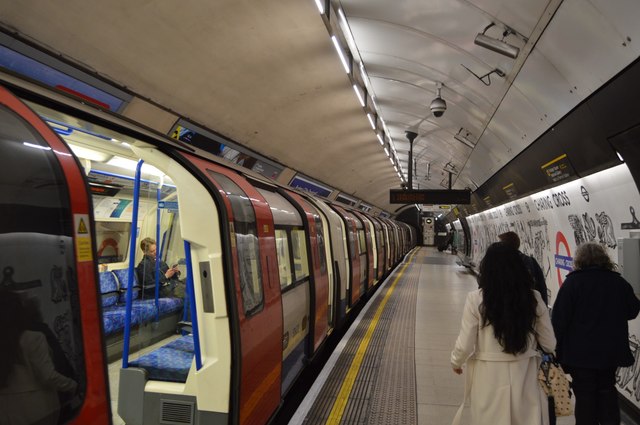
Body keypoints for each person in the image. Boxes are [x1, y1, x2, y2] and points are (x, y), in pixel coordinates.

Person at [451, 242, 556, 425]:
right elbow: (550, 343)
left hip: (488, 375)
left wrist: (456, 361)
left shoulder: (476, 299)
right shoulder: (534, 299)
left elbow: (465, 342)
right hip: (526, 374)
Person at [552, 242, 640, 424]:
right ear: (604, 259)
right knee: (607, 390)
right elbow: (632, 311)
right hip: (609, 353)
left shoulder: (572, 283)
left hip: (579, 355)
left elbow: (559, 320)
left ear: (579, 260)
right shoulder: (618, 282)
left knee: (584, 396)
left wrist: (555, 350)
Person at [0, 290, 77, 425]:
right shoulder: (33, 338)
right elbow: (47, 376)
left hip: (6, 408)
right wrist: (72, 385)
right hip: (36, 408)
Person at [499, 231, 549, 306]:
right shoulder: (530, 261)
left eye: (500, 244)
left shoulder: (500, 264)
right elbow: (542, 287)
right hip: (531, 307)